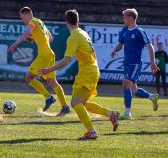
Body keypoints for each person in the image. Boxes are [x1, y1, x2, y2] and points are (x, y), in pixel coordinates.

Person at [40, 10, 120, 140]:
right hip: (93, 70)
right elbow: (93, 54)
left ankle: (91, 131)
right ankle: (111, 114)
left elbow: (66, 60)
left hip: (87, 72)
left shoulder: (73, 37)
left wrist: (48, 70)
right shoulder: (83, 33)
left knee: (75, 103)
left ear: (66, 22)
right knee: (82, 103)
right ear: (78, 21)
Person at [8, 7, 70, 116]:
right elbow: (50, 37)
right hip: (50, 54)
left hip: (44, 56)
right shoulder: (40, 22)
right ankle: (65, 107)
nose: (23, 21)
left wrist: (15, 43)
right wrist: (34, 38)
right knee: (52, 82)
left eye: (23, 18)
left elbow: (27, 31)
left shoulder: (32, 22)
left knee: (29, 77)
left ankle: (48, 97)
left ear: (27, 14)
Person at [109, 9, 159, 120]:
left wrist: (152, 63)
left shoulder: (139, 31)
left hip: (135, 64)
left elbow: (150, 47)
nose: (123, 19)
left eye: (125, 17)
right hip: (126, 63)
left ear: (131, 18)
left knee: (126, 84)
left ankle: (127, 113)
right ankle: (152, 97)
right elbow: (121, 43)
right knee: (134, 90)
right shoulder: (124, 30)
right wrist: (115, 50)